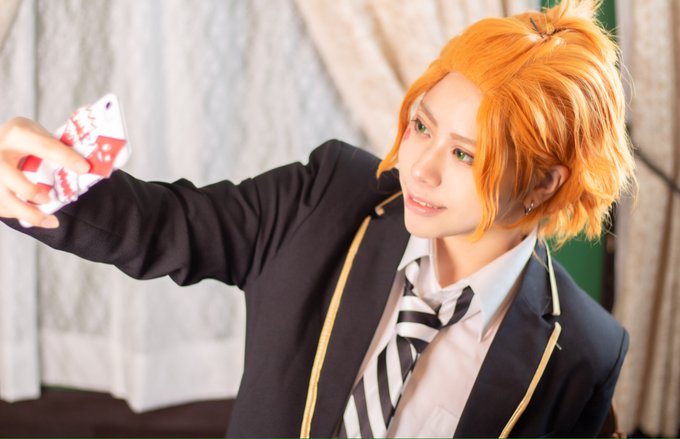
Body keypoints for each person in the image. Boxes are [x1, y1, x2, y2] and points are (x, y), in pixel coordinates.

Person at [0, 0, 635, 437]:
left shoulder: (585, 351)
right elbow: (166, 224)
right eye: (422, 126)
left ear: (544, 182)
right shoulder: (326, 199)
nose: (419, 168)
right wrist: (33, 180)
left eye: (465, 155)